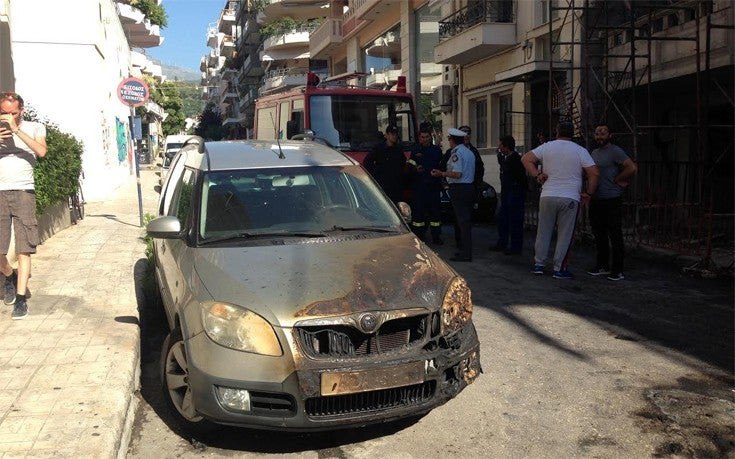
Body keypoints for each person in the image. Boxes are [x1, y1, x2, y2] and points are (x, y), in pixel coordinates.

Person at [521, 121, 598, 279]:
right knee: (565, 234)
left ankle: (539, 264)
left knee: (543, 231)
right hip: (569, 197)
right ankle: (559, 268)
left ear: (556, 132)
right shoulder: (580, 150)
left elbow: (526, 159)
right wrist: (588, 193)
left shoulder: (547, 147)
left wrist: (537, 175)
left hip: (548, 194)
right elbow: (594, 173)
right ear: (572, 134)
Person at [0, 92, 47, 319]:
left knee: (23, 248)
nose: (8, 116)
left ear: (21, 111)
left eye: (13, 112)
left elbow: (42, 151)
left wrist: (17, 130)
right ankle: (9, 275)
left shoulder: (35, 127)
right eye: (3, 112)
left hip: (23, 192)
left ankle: (20, 299)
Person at [587, 124, 637, 281]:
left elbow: (631, 168)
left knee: (615, 234)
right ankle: (602, 265)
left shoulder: (615, 151)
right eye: (597, 133)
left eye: (603, 133)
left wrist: (618, 178)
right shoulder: (594, 153)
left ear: (610, 135)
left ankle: (618, 269)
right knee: (599, 233)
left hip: (612, 198)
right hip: (597, 198)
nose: (599, 136)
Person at [431, 128, 475, 262]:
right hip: (468, 188)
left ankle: (466, 253)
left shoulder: (456, 153)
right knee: (465, 221)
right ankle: (465, 250)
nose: (449, 141)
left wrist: (441, 174)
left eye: (449, 139)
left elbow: (457, 173)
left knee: (463, 222)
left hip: (460, 188)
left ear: (453, 140)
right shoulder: (469, 152)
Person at [408, 128, 443, 244]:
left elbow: (442, 165)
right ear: (419, 137)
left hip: (433, 186)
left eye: (427, 137)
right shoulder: (415, 150)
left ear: (430, 137)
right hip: (419, 187)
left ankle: (436, 236)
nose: (425, 139)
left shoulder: (437, 150)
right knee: (418, 213)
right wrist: (415, 169)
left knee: (435, 214)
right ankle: (419, 236)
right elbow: (410, 165)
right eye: (422, 137)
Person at [492, 135, 526, 255]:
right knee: (503, 219)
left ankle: (515, 247)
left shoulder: (516, 159)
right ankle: (503, 242)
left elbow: (521, 178)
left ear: (506, 146)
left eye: (501, 145)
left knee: (515, 220)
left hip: (514, 193)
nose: (499, 147)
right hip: (506, 192)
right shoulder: (506, 158)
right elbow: (501, 163)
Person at [363, 125, 406, 203]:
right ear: (386, 135)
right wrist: (377, 173)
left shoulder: (399, 149)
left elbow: (403, 163)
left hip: (396, 186)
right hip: (383, 185)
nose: (394, 136)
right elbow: (367, 162)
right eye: (392, 134)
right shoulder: (379, 148)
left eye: (396, 134)